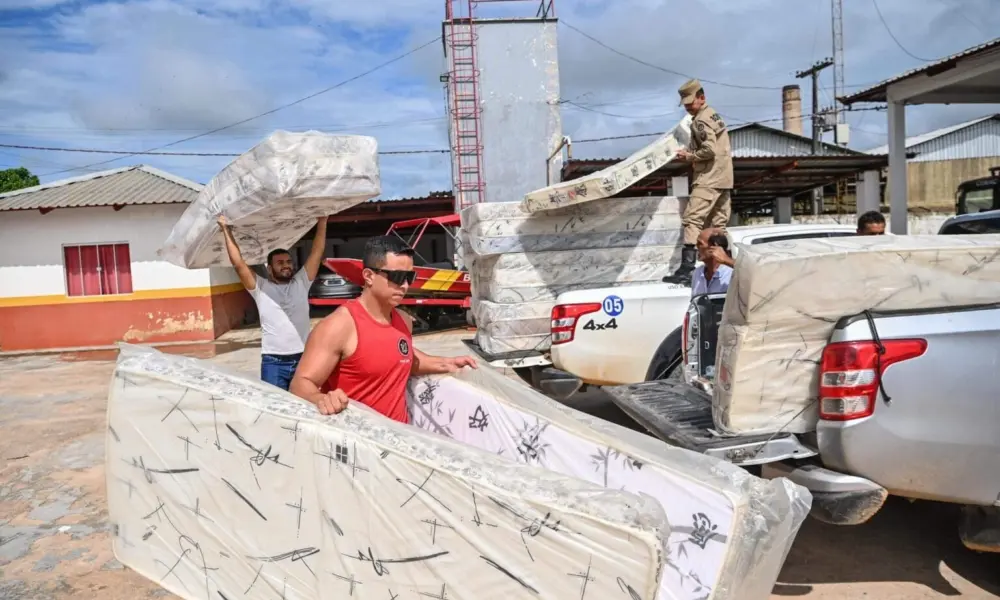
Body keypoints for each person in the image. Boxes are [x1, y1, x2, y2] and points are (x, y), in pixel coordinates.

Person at [290, 236, 477, 423]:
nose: (404, 285)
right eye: (396, 277)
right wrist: (321, 399)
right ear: (369, 276)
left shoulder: (404, 321)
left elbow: (402, 358)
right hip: (360, 442)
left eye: (409, 277)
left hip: (399, 439)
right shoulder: (339, 326)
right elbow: (301, 384)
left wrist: (447, 363)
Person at [219, 215, 328, 391]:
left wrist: (322, 222)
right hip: (274, 362)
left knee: (307, 408)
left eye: (288, 262)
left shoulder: (302, 282)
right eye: (280, 263)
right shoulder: (260, 288)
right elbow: (238, 264)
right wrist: (226, 229)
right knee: (277, 410)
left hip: (304, 358)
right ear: (269, 269)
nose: (286, 266)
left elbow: (316, 252)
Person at [665, 78, 734, 285]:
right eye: (685, 104)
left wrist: (689, 156)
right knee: (718, 225)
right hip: (724, 178)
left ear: (701, 97)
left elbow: (709, 149)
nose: (687, 107)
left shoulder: (701, 121)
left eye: (690, 103)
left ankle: (687, 269)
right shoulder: (713, 114)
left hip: (709, 178)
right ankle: (722, 266)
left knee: (692, 220)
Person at [691, 228, 735, 296]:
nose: (696, 247)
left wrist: (726, 259)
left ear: (715, 246)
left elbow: (754, 272)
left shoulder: (732, 274)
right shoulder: (697, 273)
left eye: (700, 243)